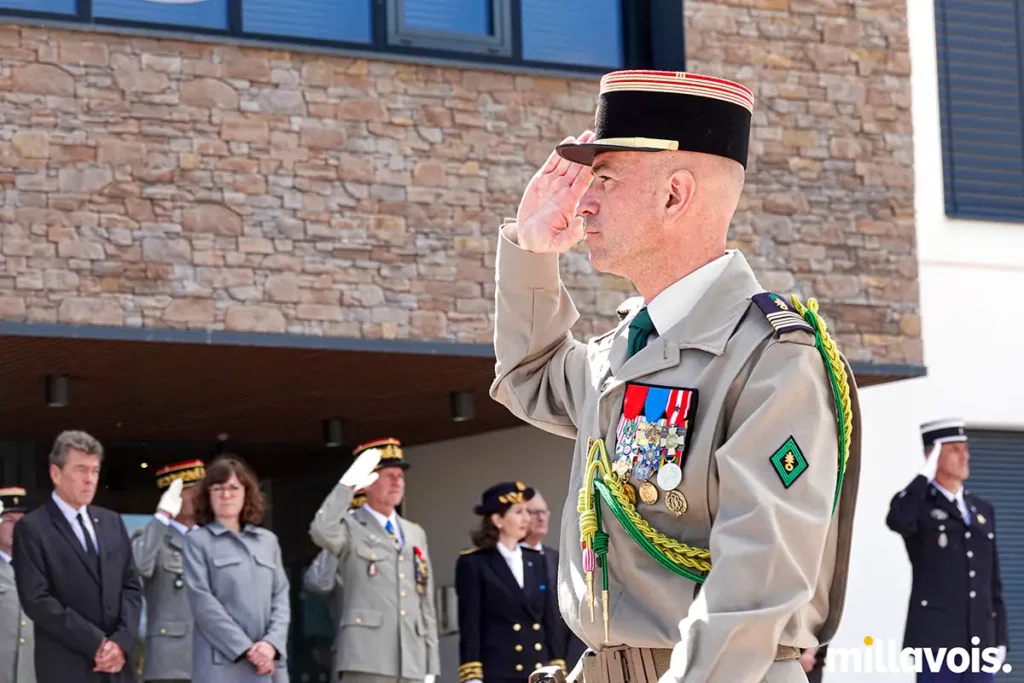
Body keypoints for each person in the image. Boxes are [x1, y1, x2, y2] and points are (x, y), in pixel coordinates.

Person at [489, 69, 863, 683]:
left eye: (604, 179)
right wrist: (530, 252)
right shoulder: (628, 348)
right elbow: (533, 376)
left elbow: (756, 578)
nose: (583, 201)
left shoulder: (773, 358)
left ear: (674, 196)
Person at [12, 430, 143, 683]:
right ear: (55, 474)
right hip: (67, 667)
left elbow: (130, 587)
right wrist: (96, 643)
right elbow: (37, 599)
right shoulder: (33, 528)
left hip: (118, 668)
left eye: (94, 471)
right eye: (81, 470)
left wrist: (121, 643)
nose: (90, 479)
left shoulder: (111, 521)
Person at [308, 437, 441, 683]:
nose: (397, 481)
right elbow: (320, 530)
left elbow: (424, 601)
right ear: (367, 482)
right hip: (366, 657)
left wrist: (430, 663)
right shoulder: (349, 525)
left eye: (400, 476)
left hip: (412, 660)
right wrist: (346, 487)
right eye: (388, 475)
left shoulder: (414, 533)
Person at [886, 418, 1008, 682]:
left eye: (965, 448)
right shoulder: (919, 504)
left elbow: (992, 583)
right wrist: (923, 476)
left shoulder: (982, 510)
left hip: (980, 641)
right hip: (937, 642)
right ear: (933, 456)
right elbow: (898, 519)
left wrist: (1000, 637)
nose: (965, 456)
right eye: (954, 449)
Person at [182, 455, 290, 683]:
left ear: (246, 493)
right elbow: (203, 604)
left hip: (270, 665)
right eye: (218, 489)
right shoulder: (197, 542)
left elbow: (281, 598)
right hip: (223, 665)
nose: (226, 495)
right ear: (207, 496)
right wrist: (246, 649)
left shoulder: (267, 541)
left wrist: (271, 645)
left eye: (233, 488)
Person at [456, 482, 567, 683]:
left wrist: (557, 665)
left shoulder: (536, 559)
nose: (526, 518)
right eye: (518, 512)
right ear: (497, 519)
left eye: (527, 511)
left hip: (538, 671)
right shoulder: (474, 563)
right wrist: (472, 676)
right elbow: (470, 624)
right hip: (499, 673)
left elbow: (549, 621)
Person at [131, 460, 204, 683]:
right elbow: (140, 565)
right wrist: (162, 515)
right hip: (171, 664)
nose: (199, 499)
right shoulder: (153, 538)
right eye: (191, 492)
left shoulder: (211, 539)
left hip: (213, 661)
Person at [520, 491, 586, 673]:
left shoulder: (558, 559)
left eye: (544, 512)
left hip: (561, 664)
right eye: (534, 513)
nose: (541, 518)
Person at [0, 487, 35, 683]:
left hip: (31, 674)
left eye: (21, 522)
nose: (15, 528)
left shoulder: (40, 568)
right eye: (8, 521)